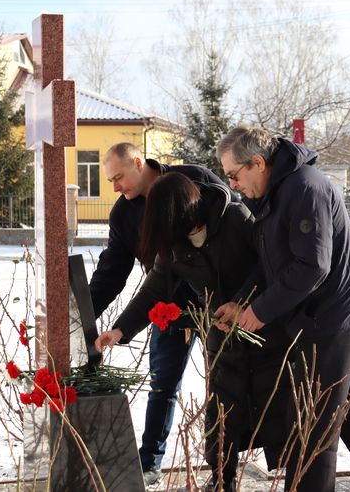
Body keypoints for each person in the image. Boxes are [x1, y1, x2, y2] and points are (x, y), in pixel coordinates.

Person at [214, 126, 350, 492]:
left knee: (312, 421)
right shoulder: (277, 191)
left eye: (234, 175)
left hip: (330, 319)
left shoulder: (304, 187)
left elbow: (312, 265)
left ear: (258, 163)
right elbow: (271, 263)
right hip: (316, 315)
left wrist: (260, 311)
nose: (232, 185)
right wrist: (243, 301)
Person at [95, 172, 290, 492]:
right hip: (220, 333)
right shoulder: (174, 242)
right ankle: (222, 480)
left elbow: (269, 263)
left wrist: (243, 303)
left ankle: (296, 477)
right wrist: (120, 330)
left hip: (261, 324)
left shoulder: (234, 217)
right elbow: (153, 290)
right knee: (221, 408)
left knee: (276, 404)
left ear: (179, 212)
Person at [85, 143, 227, 486]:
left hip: (220, 306)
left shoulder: (191, 180)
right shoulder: (123, 214)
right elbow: (113, 272)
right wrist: (84, 314)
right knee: (162, 385)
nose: (115, 187)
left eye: (118, 177)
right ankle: (149, 463)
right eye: (110, 181)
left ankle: (223, 469)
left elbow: (227, 237)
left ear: (139, 163)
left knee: (223, 387)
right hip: (166, 309)